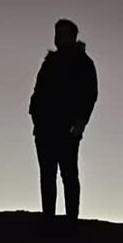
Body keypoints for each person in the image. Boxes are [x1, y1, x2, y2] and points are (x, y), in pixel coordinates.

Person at [29, 19, 98, 221]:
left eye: (63, 33)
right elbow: (38, 91)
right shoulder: (49, 63)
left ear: (73, 36)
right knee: (47, 176)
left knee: (68, 175)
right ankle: (48, 220)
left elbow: (90, 94)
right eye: (57, 33)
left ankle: (71, 222)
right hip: (44, 129)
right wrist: (35, 116)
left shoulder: (84, 63)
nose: (58, 37)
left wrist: (80, 122)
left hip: (67, 129)